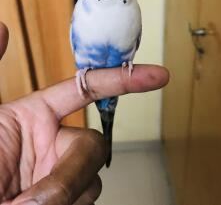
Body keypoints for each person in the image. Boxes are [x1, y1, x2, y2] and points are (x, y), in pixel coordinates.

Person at [0, 22, 169, 205]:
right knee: (96, 144)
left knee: (100, 135)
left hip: (110, 81)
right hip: (91, 81)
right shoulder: (82, 18)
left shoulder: (131, 17)